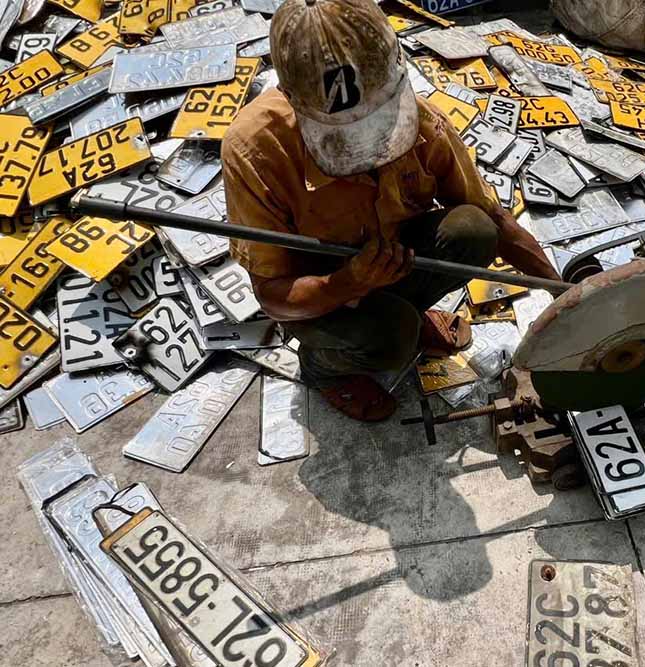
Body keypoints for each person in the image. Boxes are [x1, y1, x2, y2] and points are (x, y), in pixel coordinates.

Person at [221, 0, 560, 422]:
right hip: (322, 296)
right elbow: (273, 298)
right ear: (291, 98)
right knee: (391, 336)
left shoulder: (420, 117)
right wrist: (345, 283)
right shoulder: (255, 150)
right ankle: (324, 368)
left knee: (472, 230)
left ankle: (408, 314)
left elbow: (493, 219)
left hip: (390, 263)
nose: (371, 151)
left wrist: (564, 296)